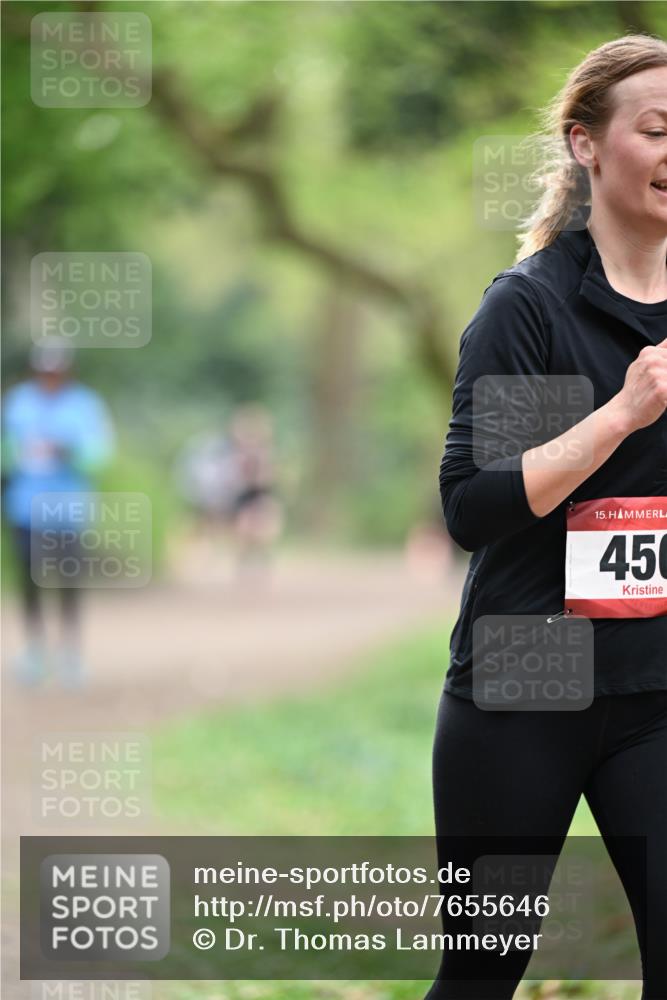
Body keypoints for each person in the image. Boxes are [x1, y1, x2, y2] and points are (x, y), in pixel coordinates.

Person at [426, 36, 667, 1000]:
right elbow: (478, 505)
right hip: (528, 680)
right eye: (656, 129)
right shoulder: (533, 310)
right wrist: (620, 412)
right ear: (585, 145)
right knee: (485, 976)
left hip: (654, 687)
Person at [2, 337, 115, 687]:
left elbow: (100, 454)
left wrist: (69, 452)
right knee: (29, 579)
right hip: (25, 507)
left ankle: (70, 650)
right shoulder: (17, 403)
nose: (50, 378)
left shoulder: (85, 406)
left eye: (57, 372)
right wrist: (17, 454)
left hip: (69, 508)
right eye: (45, 372)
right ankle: (35, 649)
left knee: (70, 581)